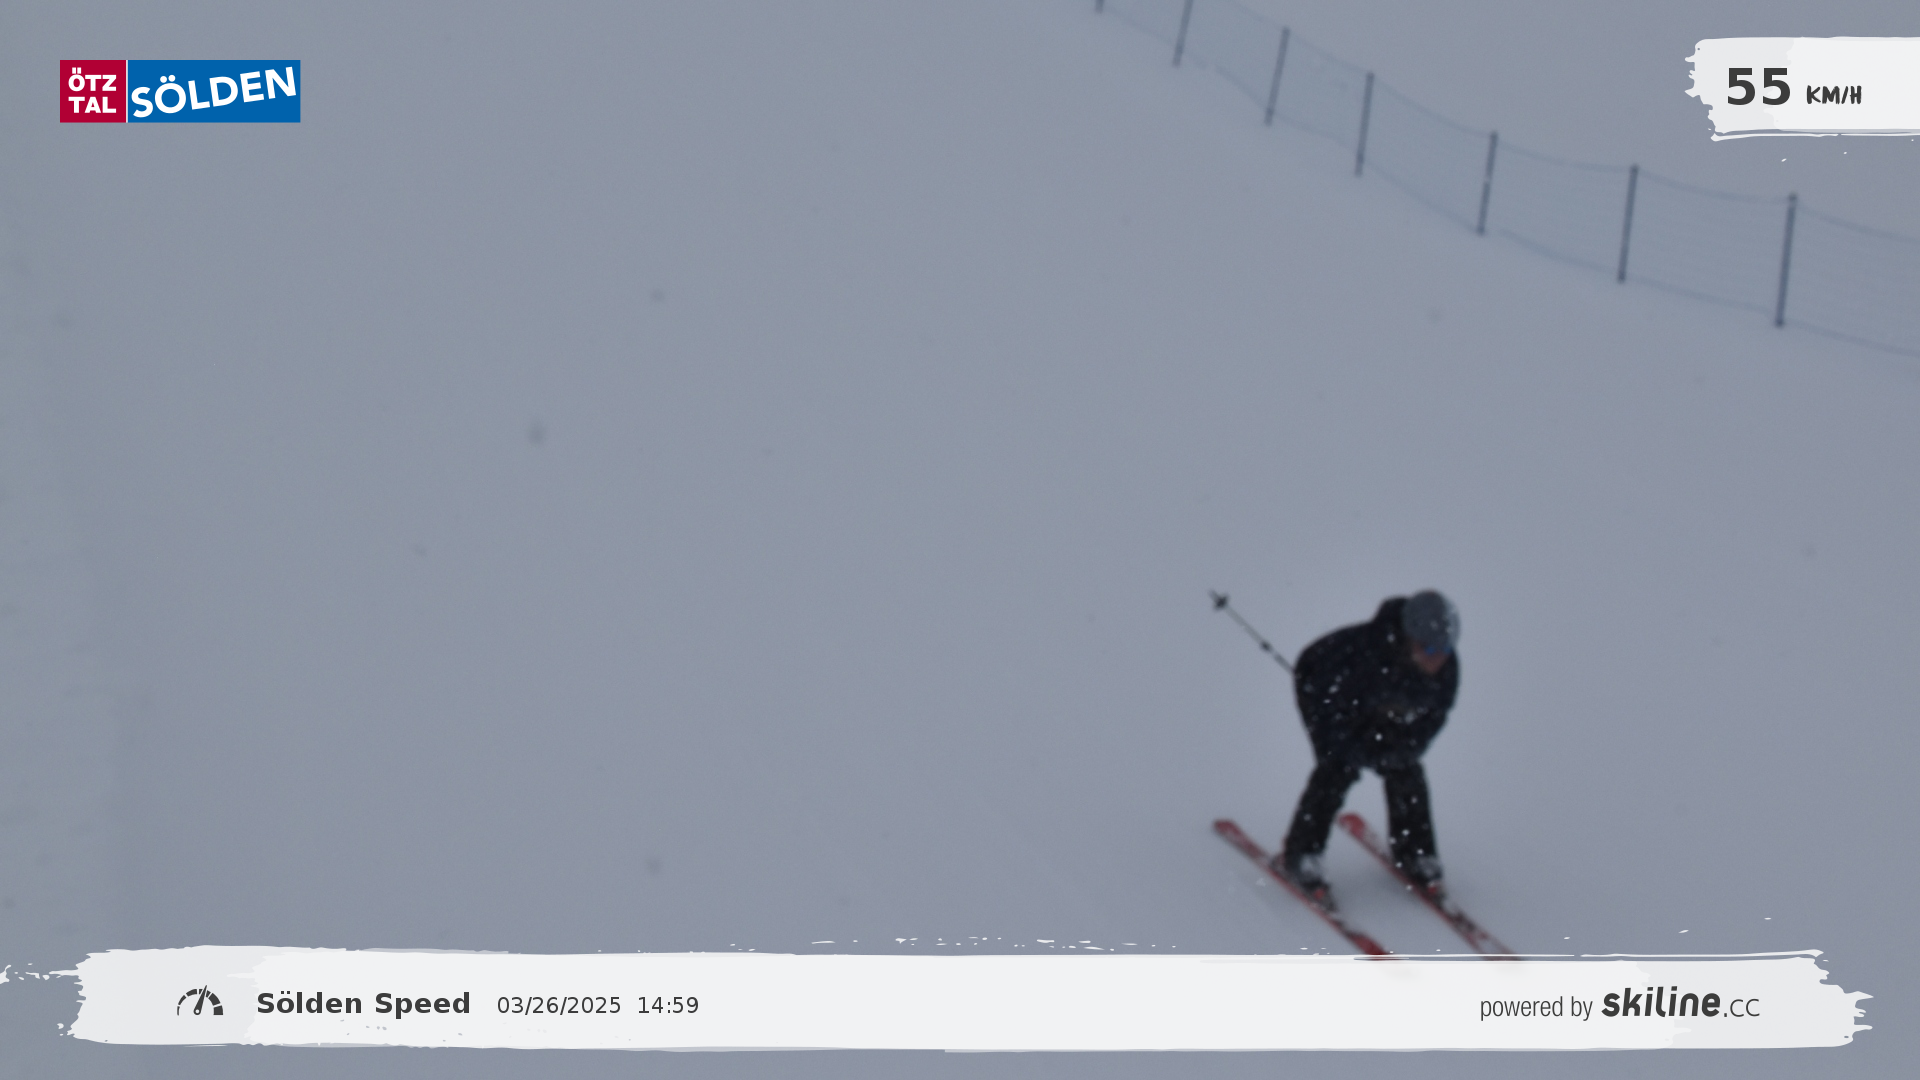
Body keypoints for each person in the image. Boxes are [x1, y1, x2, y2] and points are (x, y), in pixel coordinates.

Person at [1275, 591, 1459, 907]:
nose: (1437, 657)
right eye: (1428, 648)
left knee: (1406, 769)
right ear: (1409, 638)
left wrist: (1403, 748)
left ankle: (1415, 854)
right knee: (1337, 767)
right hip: (1322, 685)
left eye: (1444, 648)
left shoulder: (1447, 670)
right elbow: (1334, 719)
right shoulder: (1368, 658)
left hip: (1381, 704)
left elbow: (1433, 719)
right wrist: (1355, 749)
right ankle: (1302, 855)